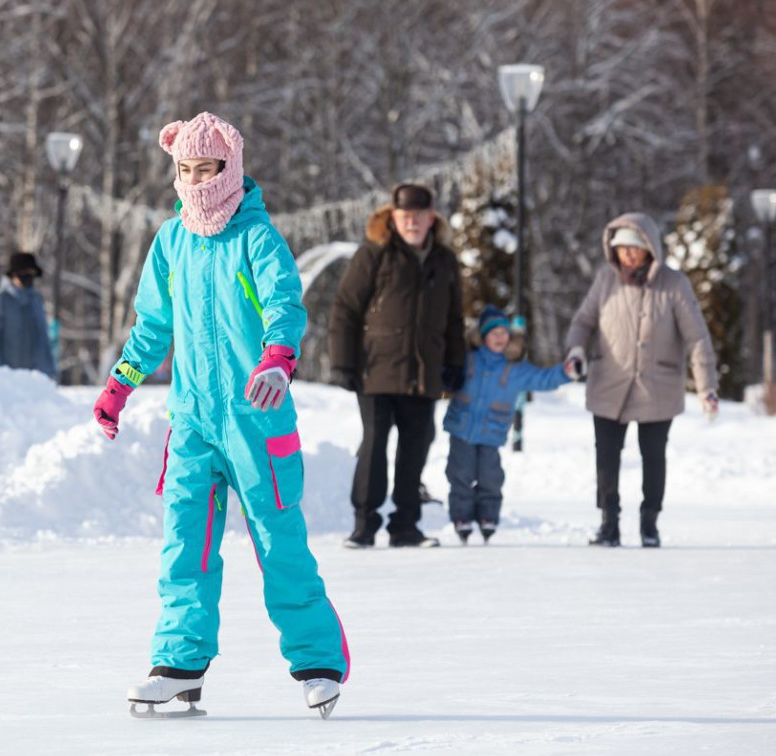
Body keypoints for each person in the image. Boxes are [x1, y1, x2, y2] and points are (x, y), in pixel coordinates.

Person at [91, 112, 349, 719]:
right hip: (192, 423)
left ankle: (319, 660)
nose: (194, 182)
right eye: (184, 170)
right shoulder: (170, 241)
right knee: (184, 546)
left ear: (229, 169)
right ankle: (178, 663)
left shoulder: (257, 237)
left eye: (205, 169)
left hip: (257, 418)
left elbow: (284, 304)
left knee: (278, 542)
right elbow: (153, 327)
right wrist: (119, 386)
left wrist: (277, 360)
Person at [565, 213, 719, 548]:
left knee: (653, 456)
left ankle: (650, 523)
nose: (629, 256)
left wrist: (706, 387)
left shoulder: (674, 284)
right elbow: (583, 322)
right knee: (606, 457)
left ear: (650, 248)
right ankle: (609, 523)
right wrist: (576, 351)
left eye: (635, 249)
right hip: (609, 383)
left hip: (657, 387)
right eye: (622, 250)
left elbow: (696, 338)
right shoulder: (605, 280)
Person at [328, 183, 466, 549]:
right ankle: (364, 525)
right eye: (405, 217)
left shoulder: (444, 260)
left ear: (431, 219)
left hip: (423, 372)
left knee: (415, 449)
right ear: (393, 217)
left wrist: (455, 362)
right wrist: (343, 361)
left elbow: (454, 319)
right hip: (375, 369)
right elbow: (345, 309)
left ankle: (406, 526)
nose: (412, 223)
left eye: (419, 216)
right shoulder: (374, 253)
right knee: (374, 445)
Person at [442, 305, 574, 544]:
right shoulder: (468, 360)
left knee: (490, 477)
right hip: (462, 429)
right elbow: (446, 370)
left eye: (504, 333)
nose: (499, 337)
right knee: (460, 474)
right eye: (494, 333)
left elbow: (542, 378)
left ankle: (488, 516)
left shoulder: (515, 369)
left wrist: (564, 372)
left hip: (491, 433)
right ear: (483, 336)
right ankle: (462, 517)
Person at [0, 250, 57, 379]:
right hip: (6, 379)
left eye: (31, 273)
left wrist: (50, 372)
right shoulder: (0, 299)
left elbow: (43, 340)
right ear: (14, 274)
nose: (28, 277)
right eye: (25, 272)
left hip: (32, 380)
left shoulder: (36, 300)